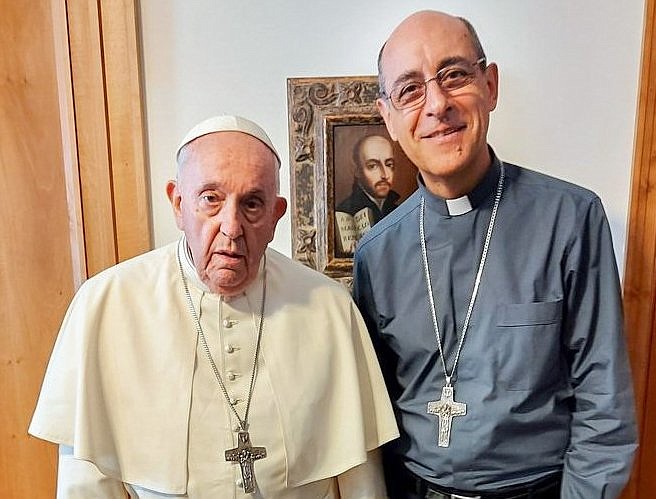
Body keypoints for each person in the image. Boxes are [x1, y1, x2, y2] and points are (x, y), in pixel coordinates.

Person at [29, 115, 399, 498]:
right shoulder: (104, 306)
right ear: (178, 203)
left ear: (276, 215)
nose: (231, 227)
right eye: (211, 199)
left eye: (252, 203)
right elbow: (85, 483)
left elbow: (361, 479)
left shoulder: (330, 309)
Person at [352, 10, 637, 499]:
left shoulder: (570, 219)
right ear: (390, 119)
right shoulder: (377, 252)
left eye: (455, 75)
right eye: (411, 90)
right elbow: (372, 414)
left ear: (491, 85)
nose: (437, 103)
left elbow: (604, 404)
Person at [337, 134, 400, 224]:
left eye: (389, 164)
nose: (384, 175)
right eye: (373, 166)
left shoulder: (399, 210)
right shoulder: (345, 214)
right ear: (357, 170)